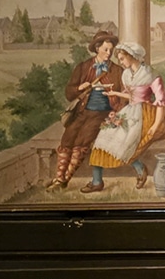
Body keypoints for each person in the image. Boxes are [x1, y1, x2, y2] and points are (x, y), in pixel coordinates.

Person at [86, 40, 165, 192]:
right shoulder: (126, 74)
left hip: (146, 114)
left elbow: (161, 102)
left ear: (132, 56)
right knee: (104, 136)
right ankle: (97, 181)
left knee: (125, 141)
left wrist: (155, 126)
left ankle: (139, 169)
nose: (121, 62)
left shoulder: (150, 74)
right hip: (130, 110)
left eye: (122, 58)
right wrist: (114, 93)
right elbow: (131, 96)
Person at [48, 30, 123, 191]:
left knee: (82, 141)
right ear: (97, 48)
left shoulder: (117, 71)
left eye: (111, 50)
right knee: (67, 139)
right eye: (105, 49)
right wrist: (79, 88)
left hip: (102, 114)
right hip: (82, 111)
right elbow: (69, 93)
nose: (109, 53)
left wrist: (116, 112)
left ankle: (63, 181)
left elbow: (124, 96)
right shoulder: (83, 67)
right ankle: (59, 177)